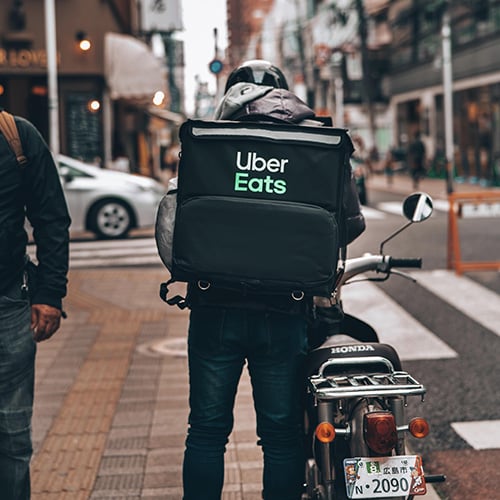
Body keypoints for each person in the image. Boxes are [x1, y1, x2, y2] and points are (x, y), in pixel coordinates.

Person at [181, 60, 365, 500]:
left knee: (206, 430)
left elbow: (181, 218)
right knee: (281, 436)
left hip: (214, 305)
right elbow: (350, 224)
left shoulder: (211, 142)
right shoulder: (318, 144)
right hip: (285, 310)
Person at [0, 109, 71, 499]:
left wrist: (49, 294)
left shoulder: (16, 136)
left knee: (11, 435)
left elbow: (51, 218)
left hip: (8, 302)